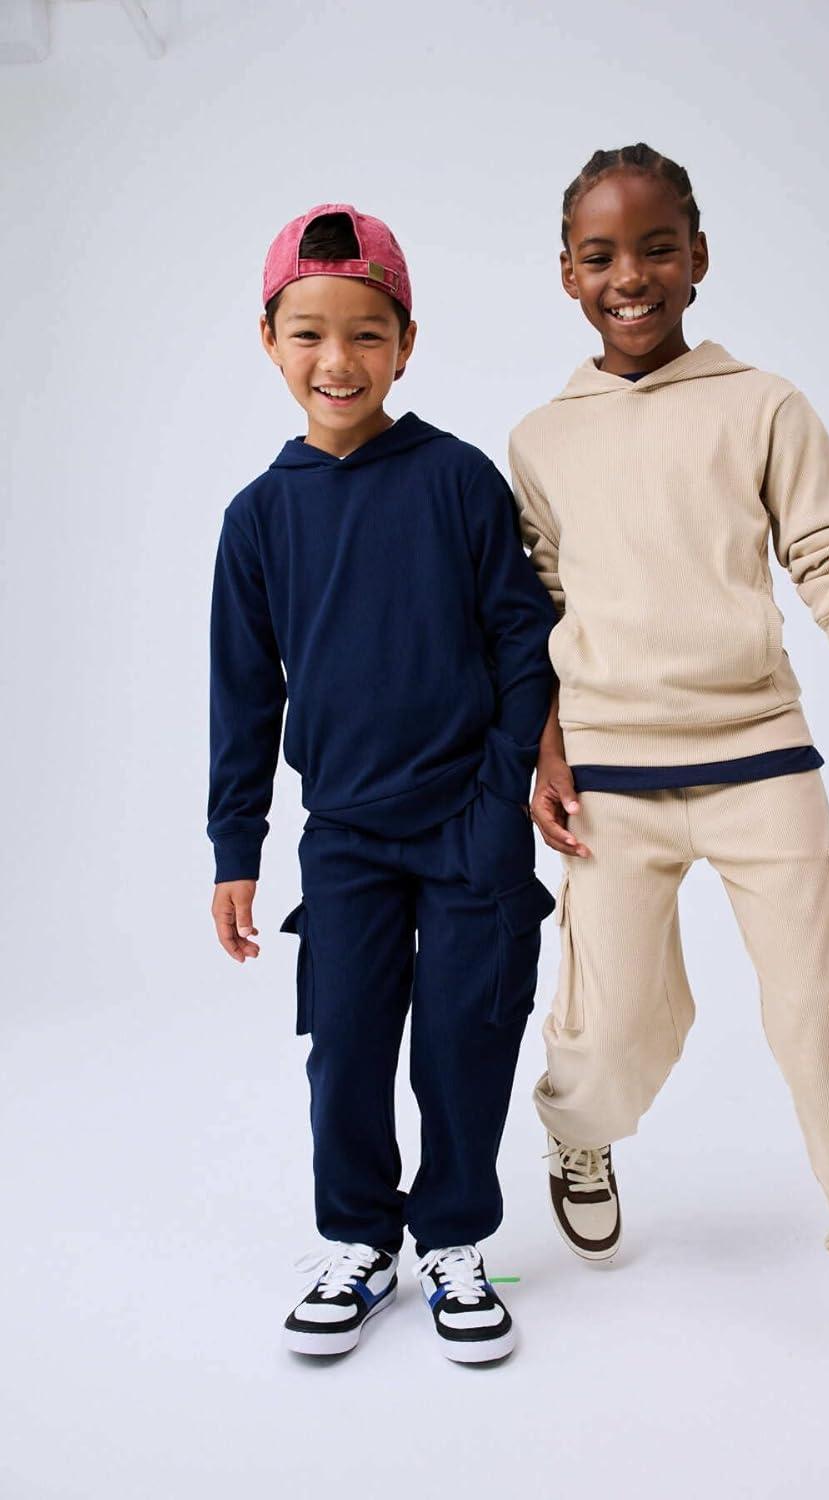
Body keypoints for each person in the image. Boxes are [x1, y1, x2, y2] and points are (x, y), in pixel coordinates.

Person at [509, 145, 829, 1412]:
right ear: (566, 274)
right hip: (610, 775)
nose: (630, 276)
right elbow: (535, 611)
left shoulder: (763, 405)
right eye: (601, 255)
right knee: (616, 1039)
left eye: (657, 248)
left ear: (697, 257)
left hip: (760, 759)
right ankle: (578, 1136)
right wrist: (543, 749)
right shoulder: (539, 440)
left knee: (825, 1018)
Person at [208, 203, 556, 1363]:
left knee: (465, 1038)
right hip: (346, 835)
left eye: (366, 333)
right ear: (269, 341)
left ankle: (454, 1239)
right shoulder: (259, 519)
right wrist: (236, 849)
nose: (338, 359)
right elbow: (243, 695)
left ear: (405, 344)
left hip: (468, 825)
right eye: (309, 333)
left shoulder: (457, 480)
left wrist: (503, 785)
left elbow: (521, 638)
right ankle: (359, 1239)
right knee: (346, 1045)